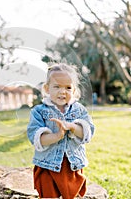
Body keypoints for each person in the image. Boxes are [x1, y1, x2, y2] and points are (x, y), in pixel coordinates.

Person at [27, 63, 95, 199]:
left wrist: (72, 127)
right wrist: (57, 135)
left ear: (74, 91)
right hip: (47, 165)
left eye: (68, 88)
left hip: (72, 166)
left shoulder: (79, 110)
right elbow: (36, 137)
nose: (62, 91)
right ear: (47, 88)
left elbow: (87, 133)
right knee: (48, 195)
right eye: (57, 86)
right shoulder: (39, 111)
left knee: (74, 195)